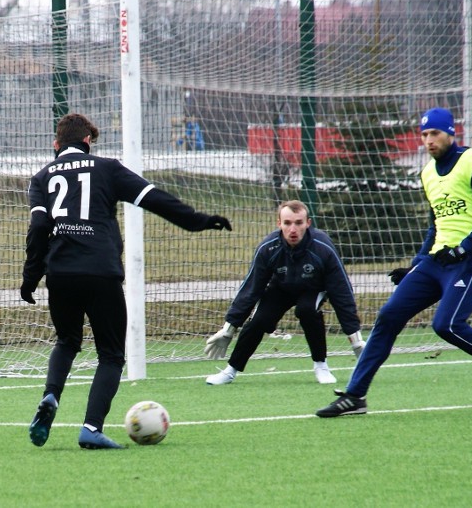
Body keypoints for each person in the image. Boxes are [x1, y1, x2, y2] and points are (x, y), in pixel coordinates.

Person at [21, 112, 231, 449]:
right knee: (111, 354)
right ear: (88, 141)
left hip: (60, 273)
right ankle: (91, 429)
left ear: (56, 145)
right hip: (101, 271)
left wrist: (31, 277)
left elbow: (39, 229)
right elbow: (155, 199)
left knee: (66, 342)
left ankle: (50, 397)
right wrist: (198, 221)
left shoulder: (41, 177)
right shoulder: (107, 168)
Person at [316, 107, 472, 417]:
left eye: (435, 133)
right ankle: (355, 396)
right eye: (424, 135)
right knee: (388, 316)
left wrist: (464, 249)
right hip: (437, 261)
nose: (429, 140)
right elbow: (435, 224)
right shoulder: (427, 173)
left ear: (451, 133)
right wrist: (416, 264)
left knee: (447, 324)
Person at [204, 199, 365, 386]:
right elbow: (250, 289)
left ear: (308, 223)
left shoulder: (323, 248)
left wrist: (356, 339)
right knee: (260, 320)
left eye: (298, 223)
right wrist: (228, 329)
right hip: (281, 288)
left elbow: (341, 292)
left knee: (306, 310)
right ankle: (230, 370)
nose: (293, 229)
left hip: (313, 288)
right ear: (279, 223)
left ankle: (321, 365)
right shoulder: (268, 248)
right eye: (287, 223)